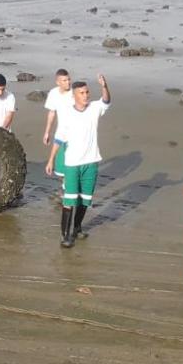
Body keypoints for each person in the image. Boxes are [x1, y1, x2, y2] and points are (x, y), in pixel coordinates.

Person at [45, 74, 111, 248]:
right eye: (82, 93)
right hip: (72, 163)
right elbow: (59, 139)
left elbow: (106, 101)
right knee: (70, 200)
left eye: (87, 92)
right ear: (74, 95)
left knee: (85, 199)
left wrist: (104, 86)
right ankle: (65, 235)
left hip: (91, 162)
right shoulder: (67, 115)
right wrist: (51, 160)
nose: (86, 95)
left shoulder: (95, 108)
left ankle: (77, 228)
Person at [42, 68, 73, 179]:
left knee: (73, 167)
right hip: (61, 134)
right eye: (64, 80)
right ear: (58, 82)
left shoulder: (75, 93)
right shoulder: (53, 93)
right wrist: (47, 132)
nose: (68, 82)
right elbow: (52, 113)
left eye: (69, 79)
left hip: (75, 135)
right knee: (61, 170)